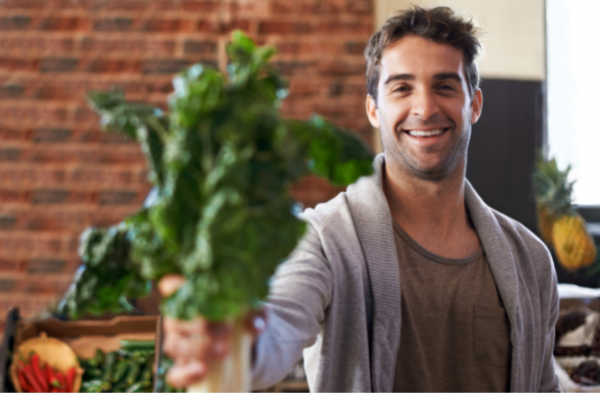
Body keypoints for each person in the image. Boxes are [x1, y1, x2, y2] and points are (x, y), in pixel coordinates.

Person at [159, 6, 560, 392]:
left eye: (444, 85)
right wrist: (229, 350)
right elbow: (277, 328)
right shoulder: (325, 239)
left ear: (473, 104)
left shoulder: (530, 260)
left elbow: (543, 388)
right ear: (373, 109)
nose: (424, 107)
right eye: (402, 88)